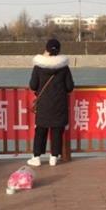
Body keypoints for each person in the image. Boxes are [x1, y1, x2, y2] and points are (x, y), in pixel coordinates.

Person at [27, 39, 74, 167]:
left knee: (41, 130)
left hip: (43, 104)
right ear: (59, 50)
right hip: (59, 103)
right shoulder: (64, 67)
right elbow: (69, 87)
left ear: (46, 49)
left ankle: (36, 157)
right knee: (57, 130)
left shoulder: (38, 66)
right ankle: (54, 157)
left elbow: (33, 85)